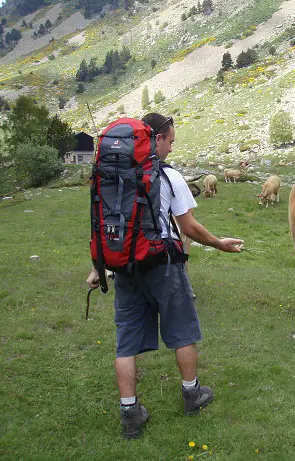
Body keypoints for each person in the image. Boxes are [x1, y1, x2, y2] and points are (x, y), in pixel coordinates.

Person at [86, 113, 243, 439]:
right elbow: (189, 227)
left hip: (124, 269)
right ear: (155, 138)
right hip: (163, 266)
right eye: (170, 140)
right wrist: (218, 243)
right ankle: (192, 394)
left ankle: (130, 412)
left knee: (125, 341)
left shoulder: (112, 177)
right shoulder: (167, 176)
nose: (171, 148)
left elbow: (108, 226)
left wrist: (99, 267)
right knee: (183, 330)